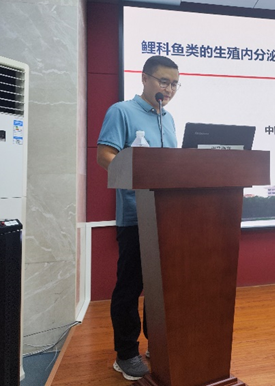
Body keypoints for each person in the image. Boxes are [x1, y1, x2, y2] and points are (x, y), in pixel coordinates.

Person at [96, 55, 180, 381]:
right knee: (130, 287)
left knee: (161, 288)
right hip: (135, 216)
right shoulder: (121, 111)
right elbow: (105, 155)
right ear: (145, 79)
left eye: (174, 84)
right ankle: (126, 353)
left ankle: (157, 343)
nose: (168, 89)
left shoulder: (168, 120)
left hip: (167, 216)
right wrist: (137, 173)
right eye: (163, 82)